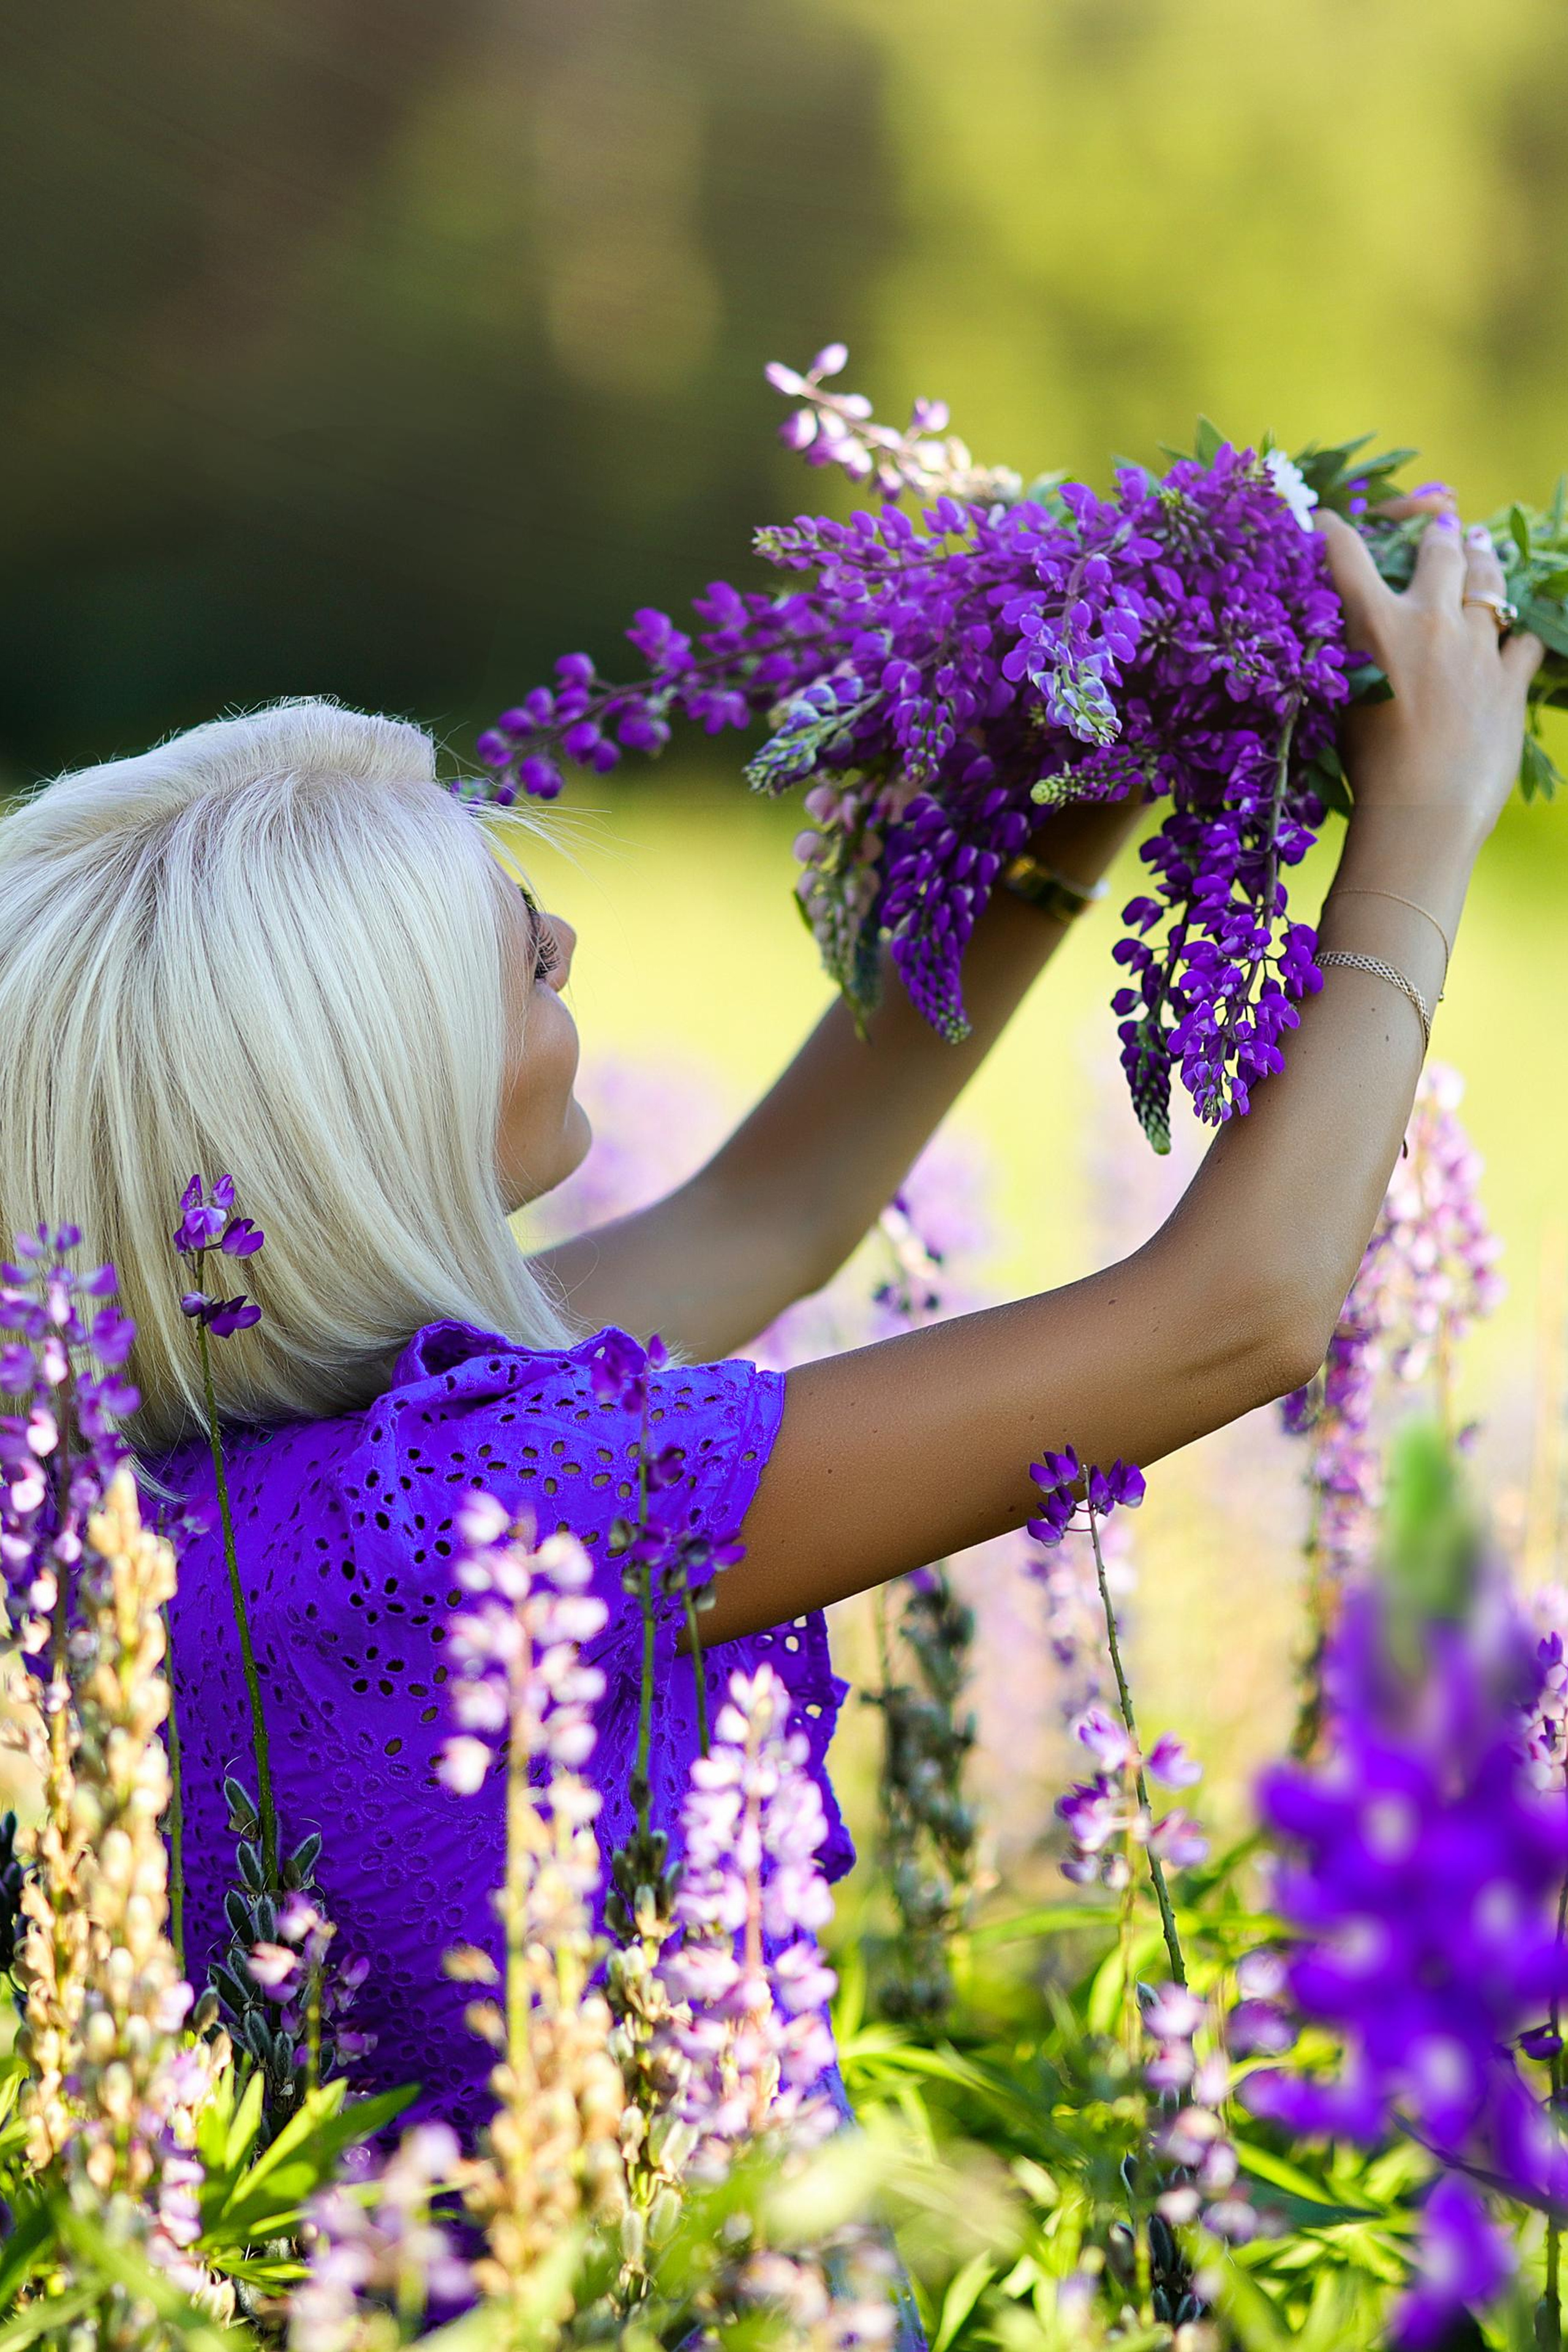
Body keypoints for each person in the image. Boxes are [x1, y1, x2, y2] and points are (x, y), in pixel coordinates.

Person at [0, 496, 1537, 2143]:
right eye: (517, 962)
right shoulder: (484, 1503)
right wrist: (1427, 816)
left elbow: (773, 1213)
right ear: (375, 1112)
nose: (567, 942)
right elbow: (1240, 1314)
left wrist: (1064, 801)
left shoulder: (199, 1485)